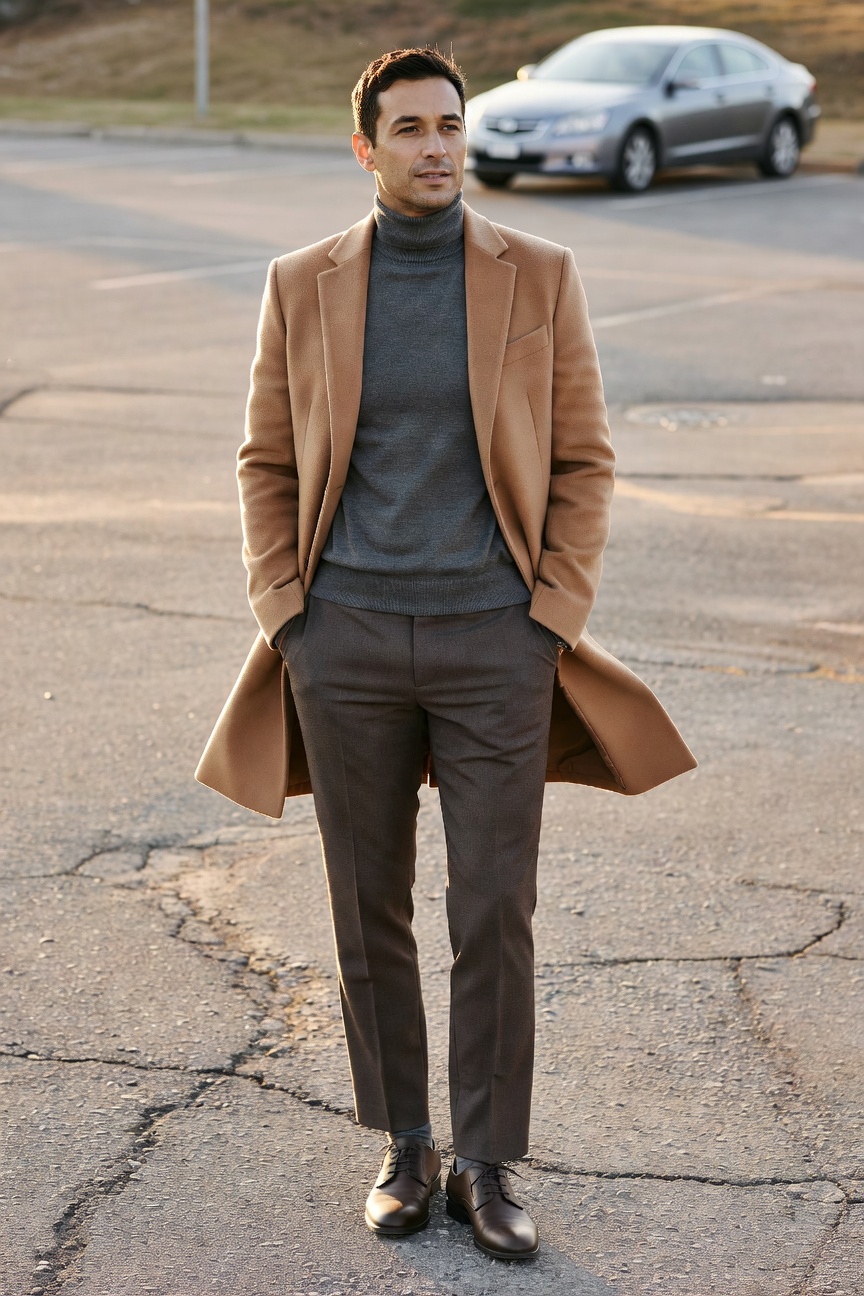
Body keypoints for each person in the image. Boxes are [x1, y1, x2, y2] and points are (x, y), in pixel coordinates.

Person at [197, 46, 695, 1261]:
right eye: (409, 128)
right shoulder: (301, 281)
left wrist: (551, 617)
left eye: (450, 127)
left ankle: (485, 1162)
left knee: (495, 910)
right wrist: (287, 611)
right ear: (364, 148)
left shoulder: (538, 274)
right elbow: (267, 460)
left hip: (495, 643)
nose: (435, 147)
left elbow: (584, 458)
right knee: (368, 908)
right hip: (346, 638)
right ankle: (405, 1142)